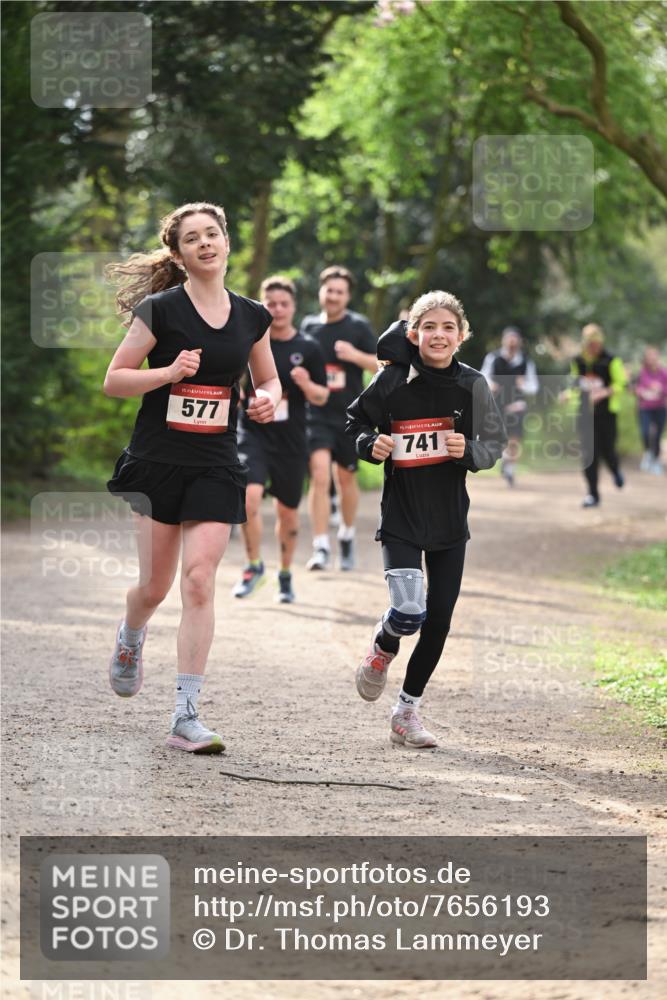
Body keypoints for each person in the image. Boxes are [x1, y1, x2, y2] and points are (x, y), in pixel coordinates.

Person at [104, 202, 281, 753]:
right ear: (179, 254)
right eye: (192, 239)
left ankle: (186, 713)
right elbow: (115, 380)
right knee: (155, 587)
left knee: (200, 580)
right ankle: (132, 633)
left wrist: (267, 401)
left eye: (212, 234)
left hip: (215, 462)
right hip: (158, 461)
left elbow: (268, 378)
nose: (205, 244)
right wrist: (169, 372)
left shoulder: (253, 316)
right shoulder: (160, 310)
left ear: (227, 243)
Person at [346, 291, 506, 747]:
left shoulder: (473, 385)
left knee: (438, 621)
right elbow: (354, 421)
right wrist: (368, 445)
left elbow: (495, 442)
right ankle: (383, 645)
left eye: (448, 328)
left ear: (462, 336)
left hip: (450, 522)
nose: (439, 335)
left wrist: (470, 451)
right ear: (413, 334)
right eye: (429, 327)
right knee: (410, 610)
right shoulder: (393, 381)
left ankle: (405, 713)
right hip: (401, 516)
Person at [233, 276, 329, 602]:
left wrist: (305, 384)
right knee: (249, 498)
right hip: (254, 433)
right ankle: (253, 566)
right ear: (262, 305)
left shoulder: (309, 348)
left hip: (291, 439)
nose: (277, 309)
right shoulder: (248, 341)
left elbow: (321, 397)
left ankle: (285, 574)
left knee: (287, 513)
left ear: (294, 307)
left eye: (283, 303)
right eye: (270, 303)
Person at [300, 266, 378, 571]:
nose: (333, 296)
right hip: (315, 414)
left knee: (346, 479)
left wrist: (355, 356)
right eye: (329, 290)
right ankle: (320, 545)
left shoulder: (358, 326)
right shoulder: (308, 325)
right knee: (319, 475)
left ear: (347, 296)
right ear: (321, 291)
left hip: (350, 415)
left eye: (339, 292)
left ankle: (346, 534)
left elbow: (381, 365)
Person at [565, 323, 626, 508]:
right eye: (590, 343)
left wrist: (605, 392)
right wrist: (567, 394)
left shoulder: (611, 360)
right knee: (588, 454)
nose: (593, 346)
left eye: (596, 342)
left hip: (606, 413)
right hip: (584, 413)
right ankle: (592, 494)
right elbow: (574, 383)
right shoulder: (577, 360)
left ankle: (615, 470)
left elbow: (620, 383)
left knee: (608, 450)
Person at [481, 326, 539, 486]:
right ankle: (505, 459)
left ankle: (510, 471)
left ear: (519, 342)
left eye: (515, 339)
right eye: (509, 339)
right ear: (504, 341)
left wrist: (523, 385)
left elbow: (534, 387)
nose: (512, 343)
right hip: (496, 404)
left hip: (517, 404)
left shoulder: (526, 362)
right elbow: (482, 377)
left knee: (515, 438)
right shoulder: (493, 358)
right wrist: (491, 384)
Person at [634, 345, 667, 475]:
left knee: (658, 434)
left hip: (660, 407)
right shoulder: (642, 373)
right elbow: (635, 388)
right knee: (646, 432)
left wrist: (660, 389)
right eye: (650, 356)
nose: (652, 359)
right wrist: (642, 392)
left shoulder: (663, 373)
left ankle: (656, 460)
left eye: (654, 356)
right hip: (645, 407)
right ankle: (648, 452)